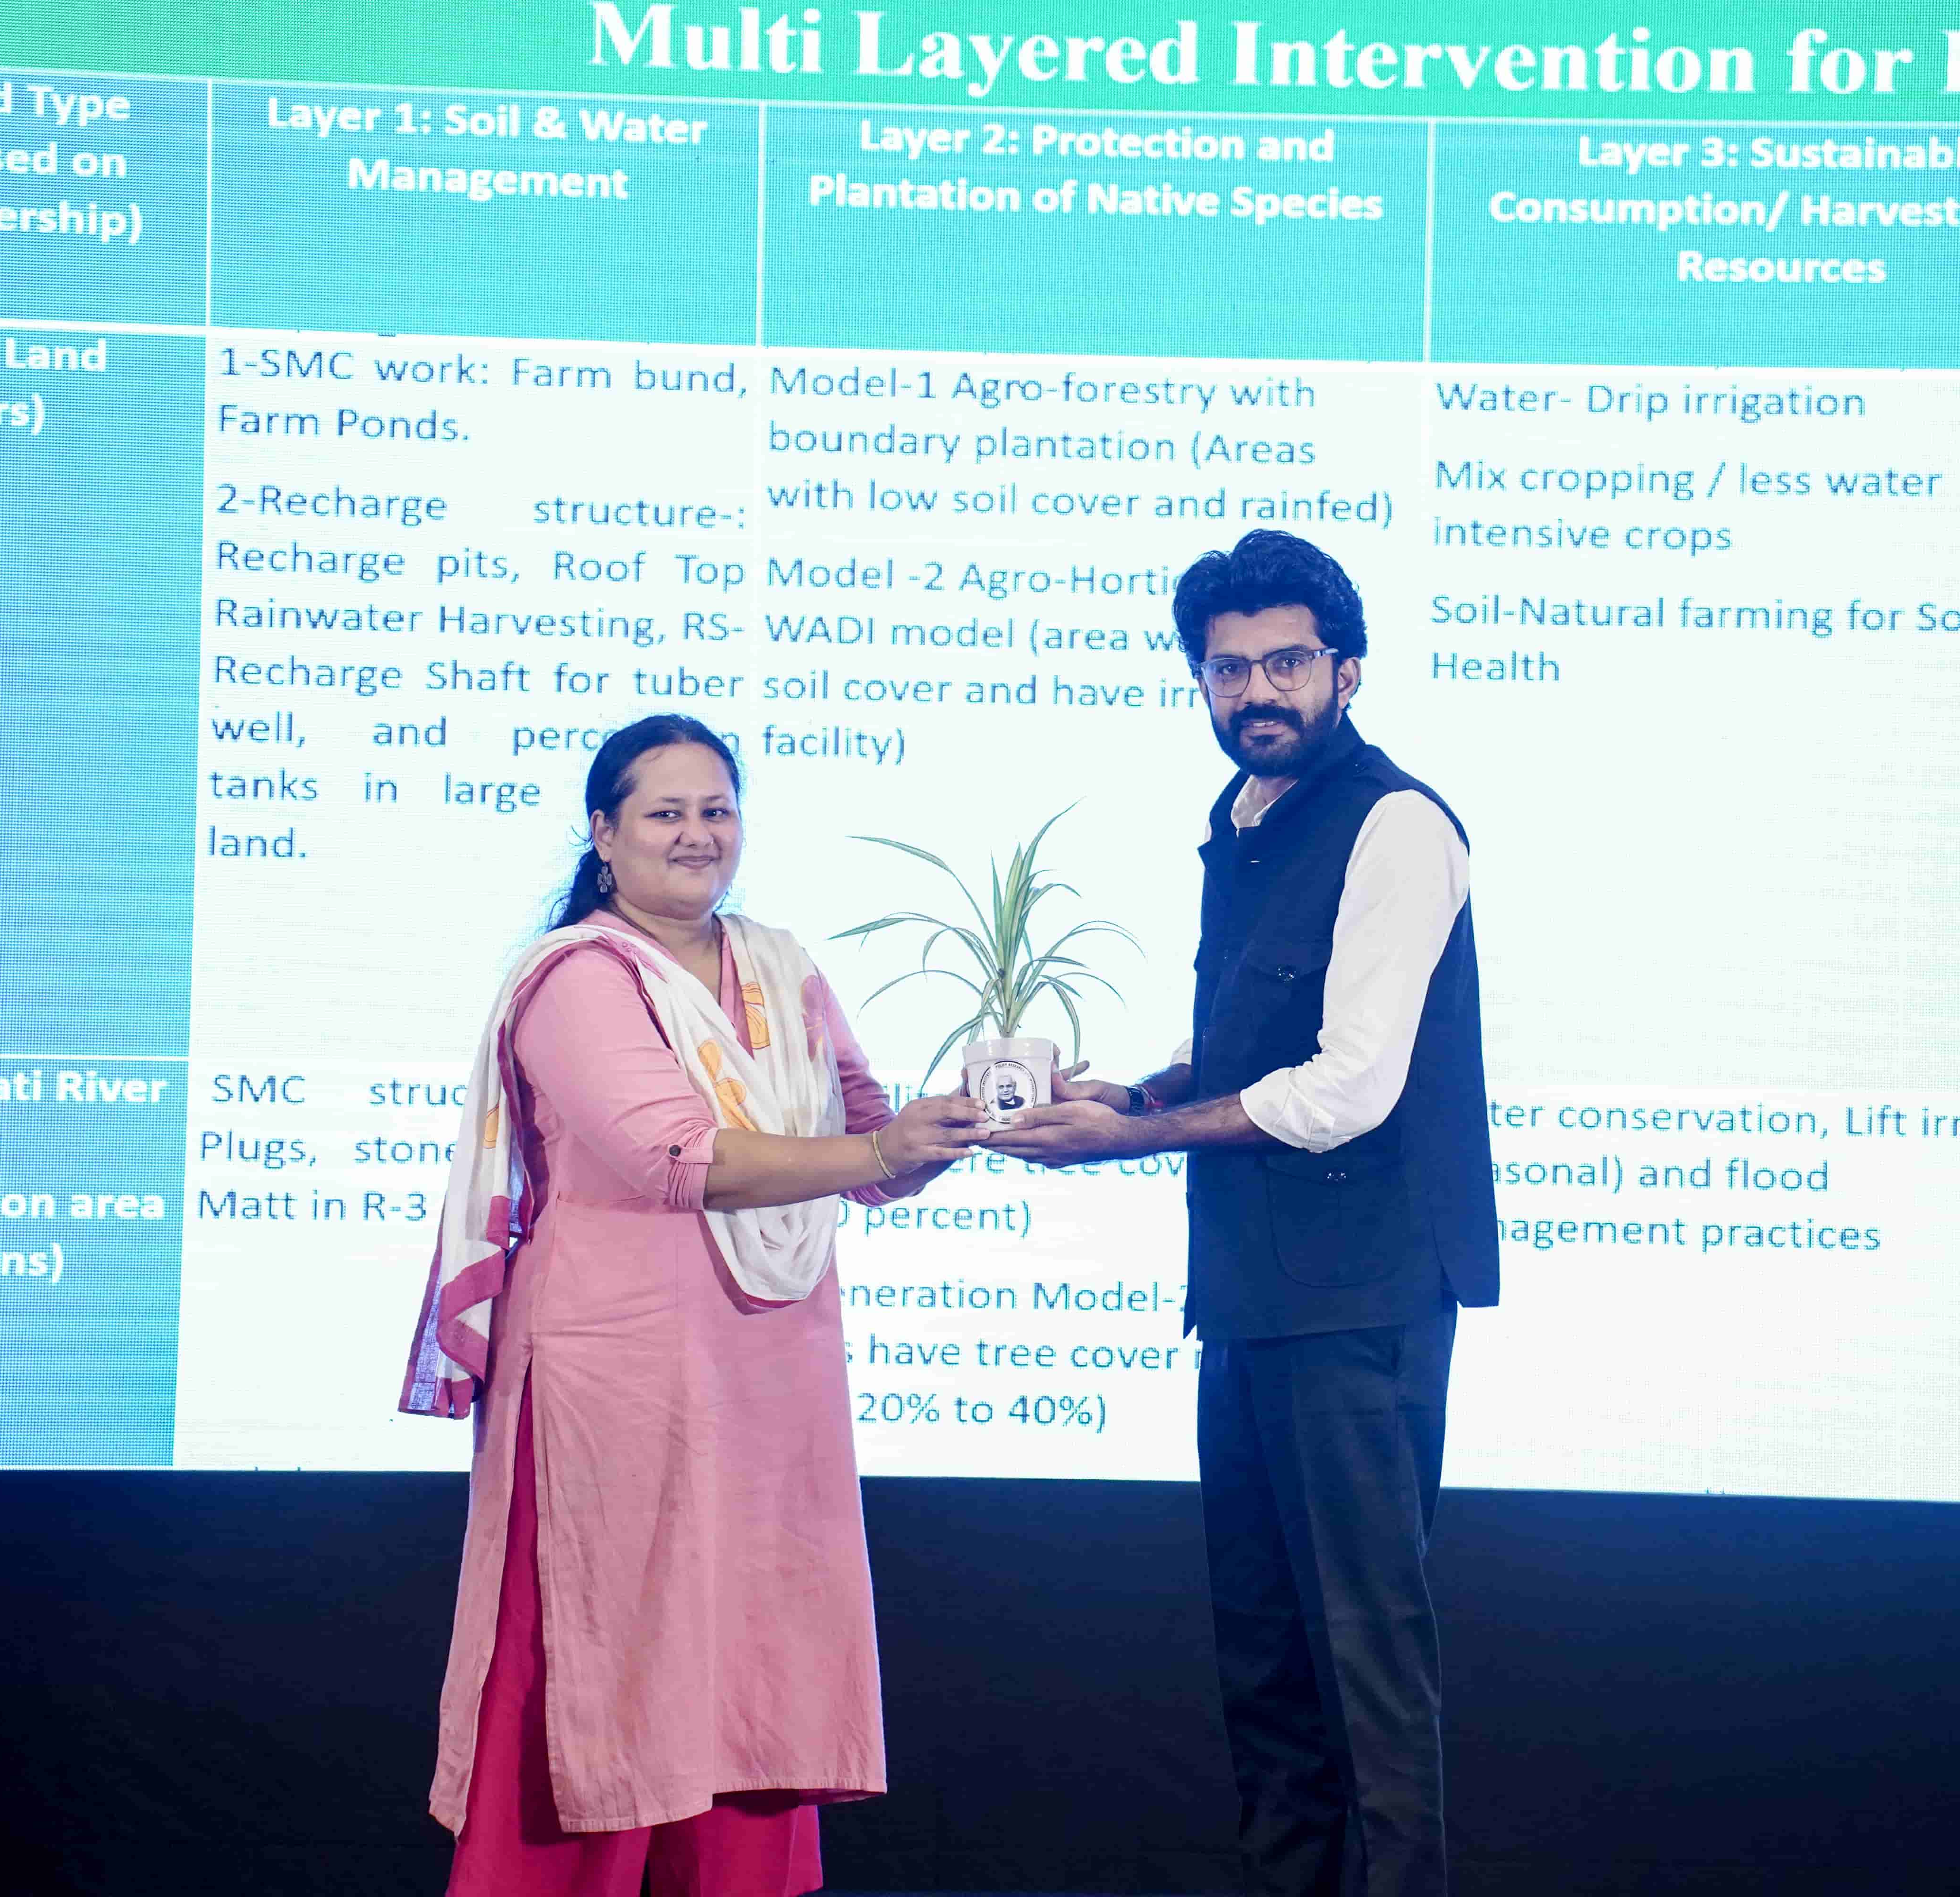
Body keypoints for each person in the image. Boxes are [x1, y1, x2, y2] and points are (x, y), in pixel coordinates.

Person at [399, 714, 990, 1897]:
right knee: (607, 1672)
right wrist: (880, 1150)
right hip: (619, 1387)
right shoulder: (579, 977)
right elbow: (675, 1156)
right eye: (664, 812)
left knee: (747, 1673)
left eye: (717, 809)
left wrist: (980, 1113)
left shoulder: (779, 964)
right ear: (604, 833)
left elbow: (866, 1137)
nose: (696, 833)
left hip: (771, 1377)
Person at [988, 531, 1499, 1897]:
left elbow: (1349, 1086)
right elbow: (1256, 1040)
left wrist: (1134, 1138)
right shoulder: (1244, 818)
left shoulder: (1397, 824)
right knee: (1266, 1667)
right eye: (1228, 668)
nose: (1256, 690)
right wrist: (1138, 1089)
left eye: (1286, 662)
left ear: (1348, 670)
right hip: (1255, 1298)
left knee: (1367, 1676)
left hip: (1359, 1304)